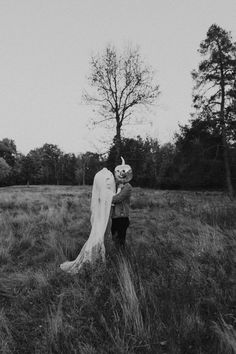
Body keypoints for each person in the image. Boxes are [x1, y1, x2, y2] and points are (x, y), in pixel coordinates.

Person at [60, 167, 115, 274]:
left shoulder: (108, 193)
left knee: (104, 237)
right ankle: (94, 261)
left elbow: (112, 202)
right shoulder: (102, 194)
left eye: (110, 180)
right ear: (100, 182)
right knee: (98, 238)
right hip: (100, 219)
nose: (109, 182)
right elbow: (108, 202)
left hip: (106, 219)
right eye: (106, 180)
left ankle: (100, 259)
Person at [111, 157, 133, 250]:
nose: (121, 174)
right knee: (114, 239)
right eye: (119, 173)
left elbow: (117, 199)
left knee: (120, 241)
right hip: (114, 217)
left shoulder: (127, 187)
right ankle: (115, 257)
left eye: (123, 172)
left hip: (122, 218)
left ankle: (122, 259)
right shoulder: (115, 185)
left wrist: (106, 198)